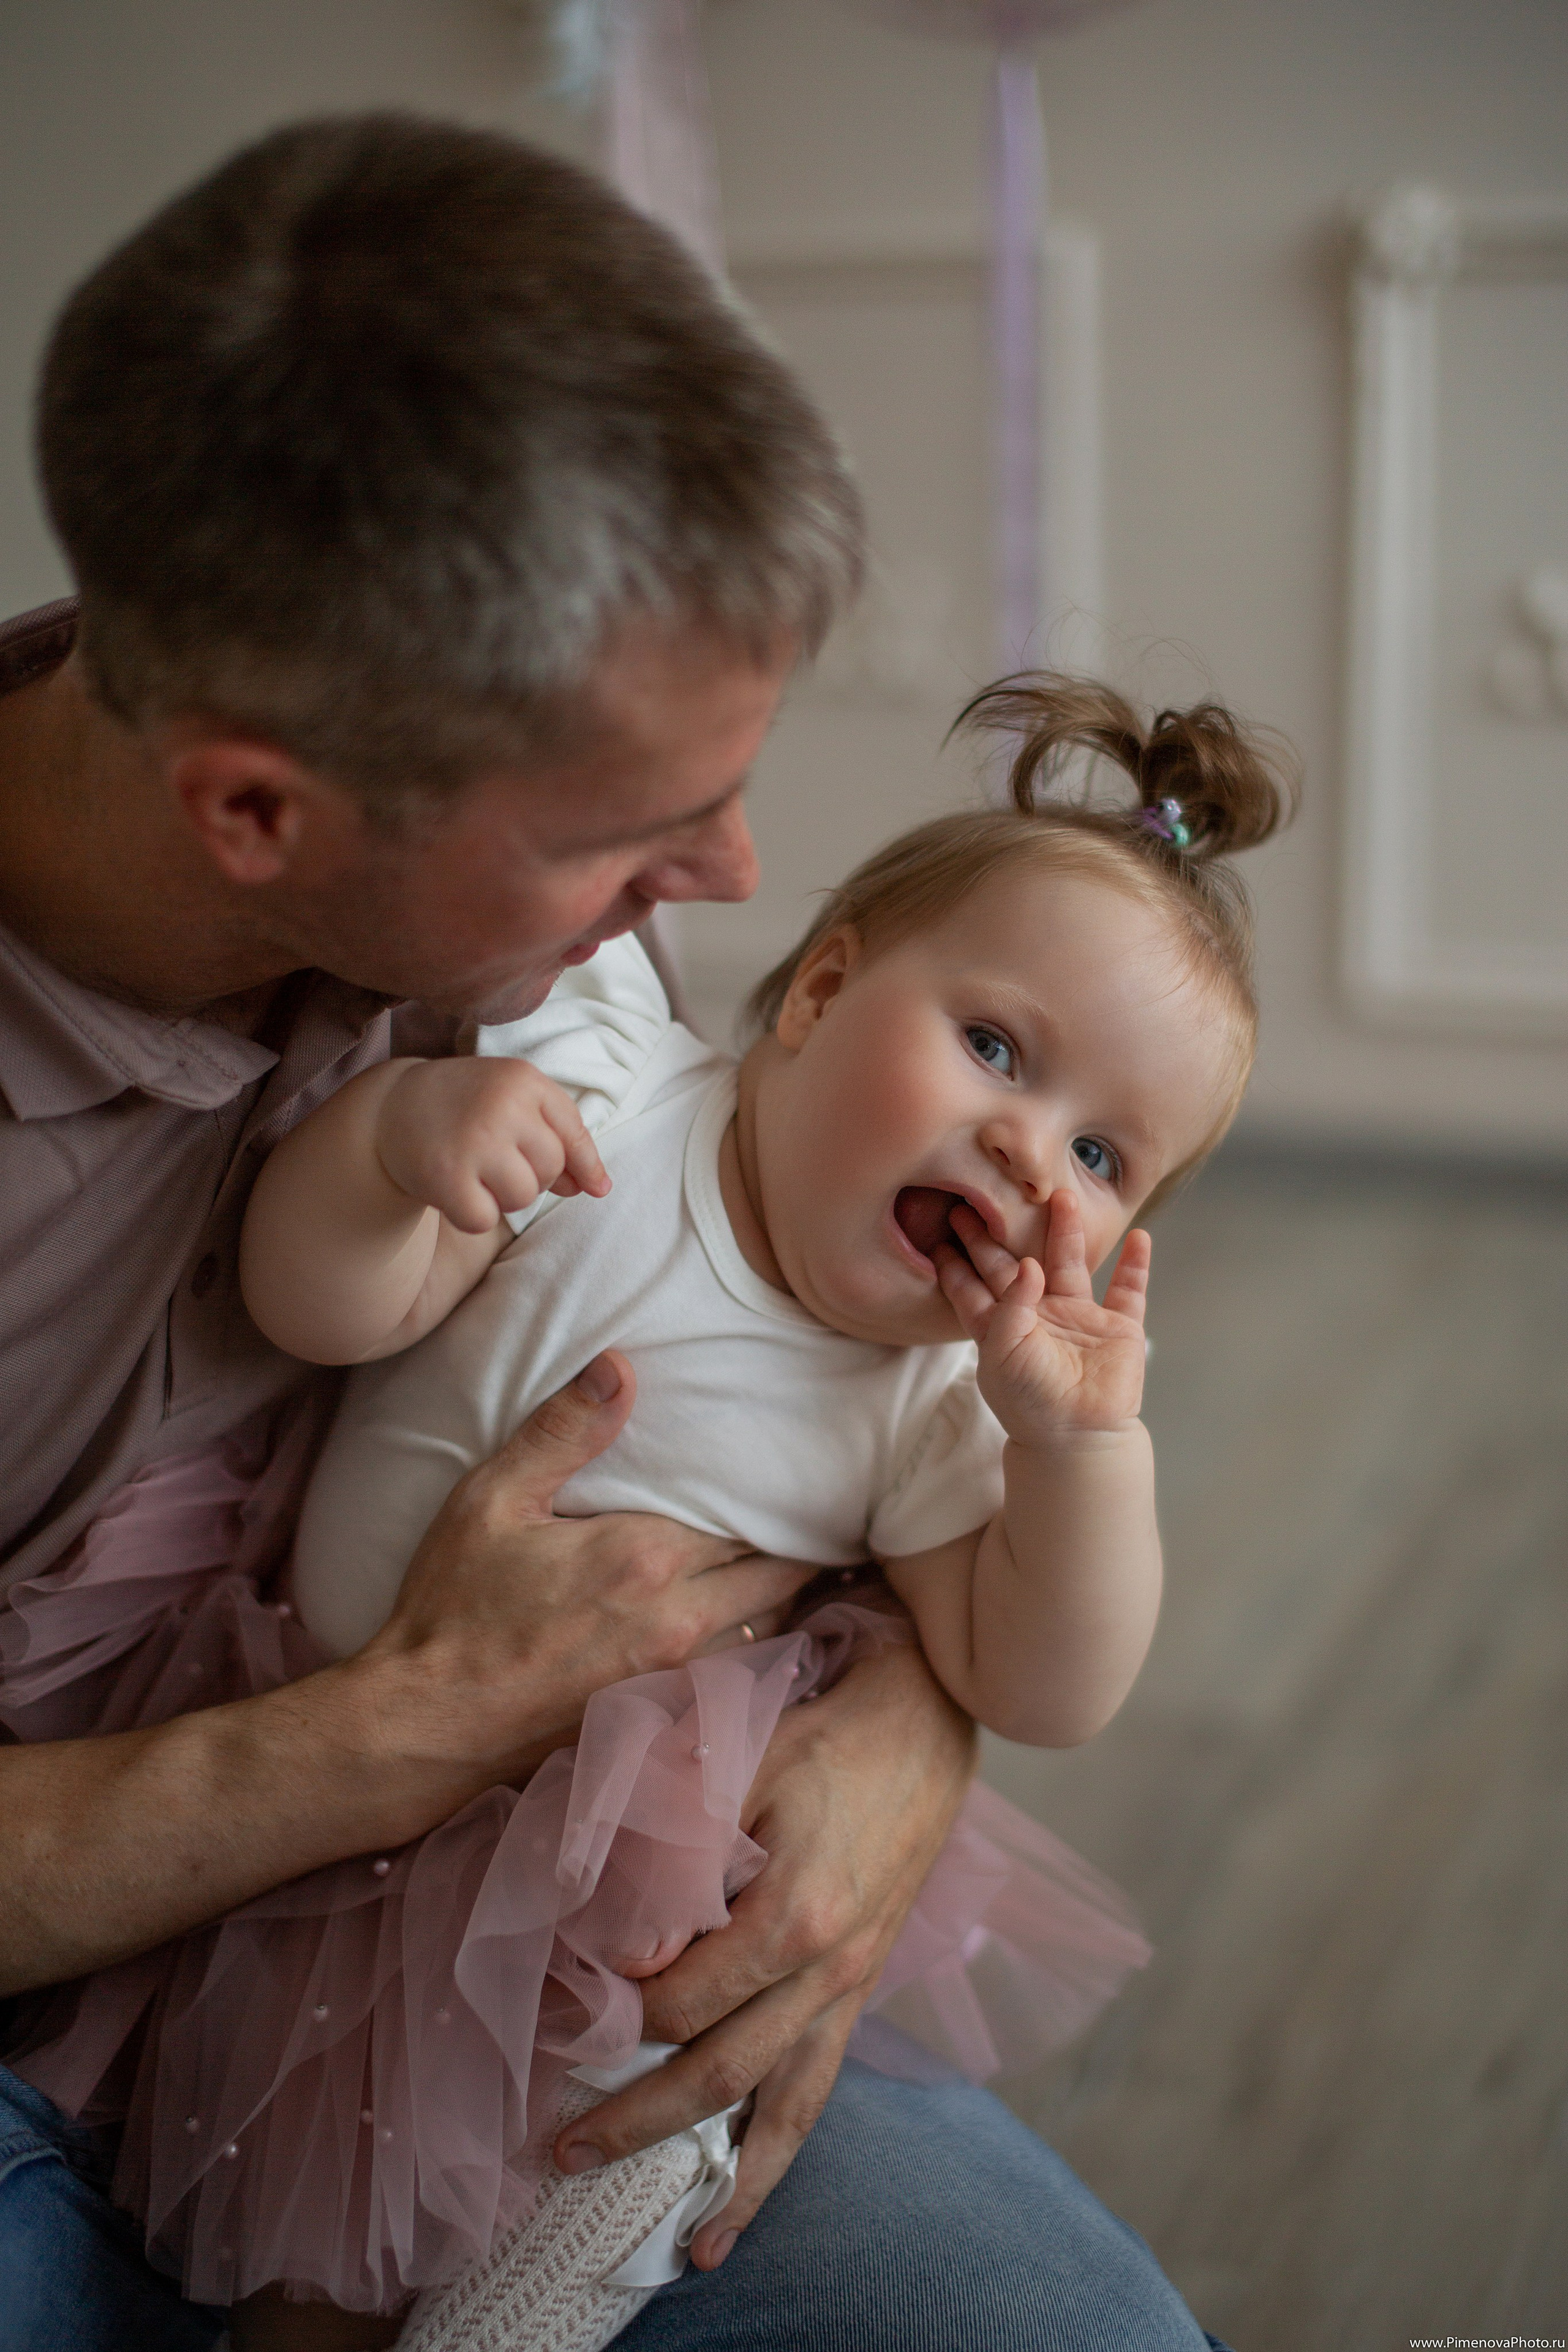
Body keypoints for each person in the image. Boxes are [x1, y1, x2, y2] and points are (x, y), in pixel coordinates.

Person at [0, 114, 1233, 2352]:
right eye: (642, 830)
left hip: (537, 1949)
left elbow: (892, 1510)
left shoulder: (524, 930)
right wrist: (392, 1734)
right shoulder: (533, 1029)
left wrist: (892, 1723)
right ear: (253, 811)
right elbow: (355, 1274)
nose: (744, 888)